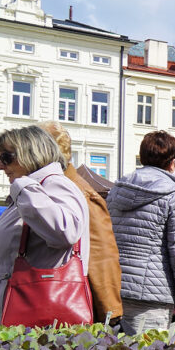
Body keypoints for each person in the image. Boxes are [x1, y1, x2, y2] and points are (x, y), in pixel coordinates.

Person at [0, 126, 90, 329]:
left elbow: (65, 231)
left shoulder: (52, 185)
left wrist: (24, 188)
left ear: (30, 153)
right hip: (11, 315)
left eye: (5, 158)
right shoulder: (33, 190)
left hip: (28, 320)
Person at [107, 131, 175, 334]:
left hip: (115, 287)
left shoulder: (117, 191)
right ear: (172, 162)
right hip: (153, 292)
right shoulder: (174, 194)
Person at [41, 121, 123, 324]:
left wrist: (109, 311)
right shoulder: (47, 186)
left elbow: (101, 252)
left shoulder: (79, 191)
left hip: (64, 300)